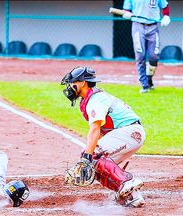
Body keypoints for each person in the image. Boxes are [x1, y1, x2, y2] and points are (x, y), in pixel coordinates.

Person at [62, 67, 146, 207]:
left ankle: (126, 182)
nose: (70, 87)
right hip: (127, 134)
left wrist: (87, 156)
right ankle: (132, 196)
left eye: (72, 83)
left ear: (83, 82)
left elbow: (95, 129)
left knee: (93, 156)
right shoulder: (90, 99)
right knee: (94, 168)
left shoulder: (95, 99)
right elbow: (102, 131)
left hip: (130, 132)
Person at [122, 0, 171, 93]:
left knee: (154, 56)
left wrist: (166, 16)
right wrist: (127, 13)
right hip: (138, 25)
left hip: (153, 26)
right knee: (140, 56)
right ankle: (144, 85)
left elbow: (165, 6)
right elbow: (126, 9)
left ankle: (149, 79)